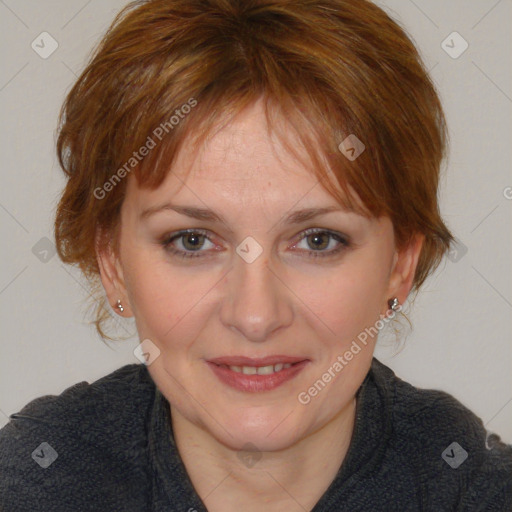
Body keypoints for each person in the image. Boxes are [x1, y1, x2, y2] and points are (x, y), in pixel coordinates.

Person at [1, 0, 511, 510]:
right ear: (112, 265)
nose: (255, 316)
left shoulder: (478, 490)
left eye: (317, 240)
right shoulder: (30, 483)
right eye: (192, 241)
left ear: (400, 264)